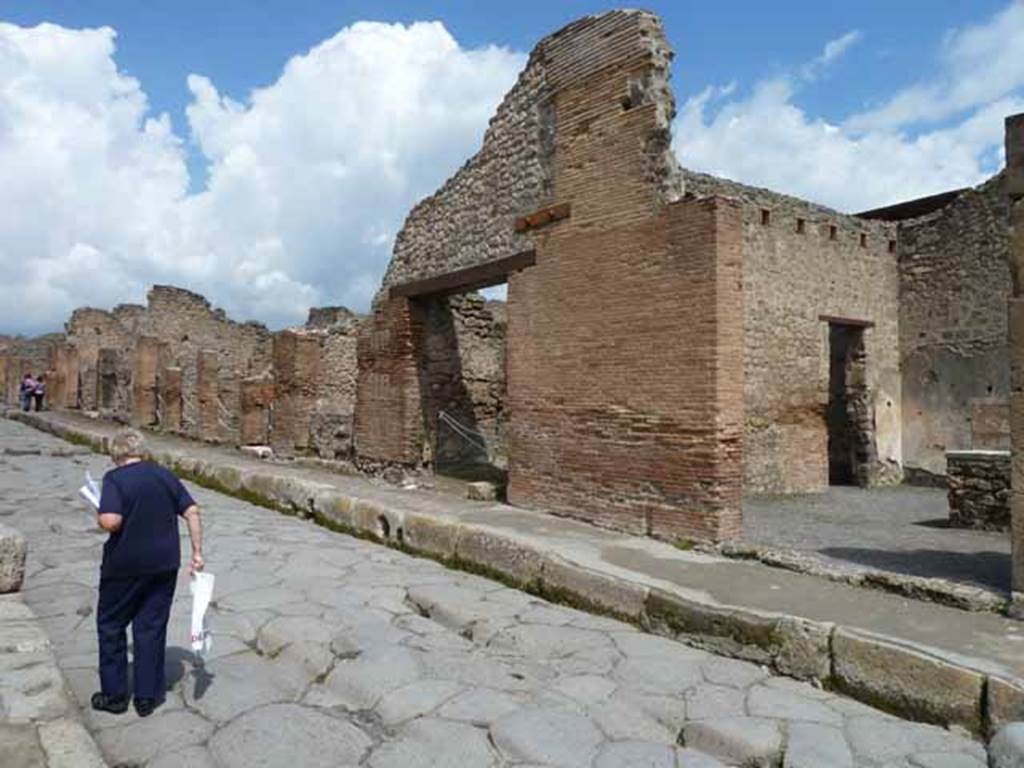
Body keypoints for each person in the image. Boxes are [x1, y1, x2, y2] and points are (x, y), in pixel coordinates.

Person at [92, 429, 204, 717]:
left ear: (116, 454)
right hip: (165, 563)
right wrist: (197, 552)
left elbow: (111, 521)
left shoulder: (114, 479)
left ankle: (115, 695)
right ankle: (147, 697)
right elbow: (192, 510)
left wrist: (99, 512)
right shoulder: (164, 474)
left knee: (111, 625)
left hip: (125, 566)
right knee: (150, 626)